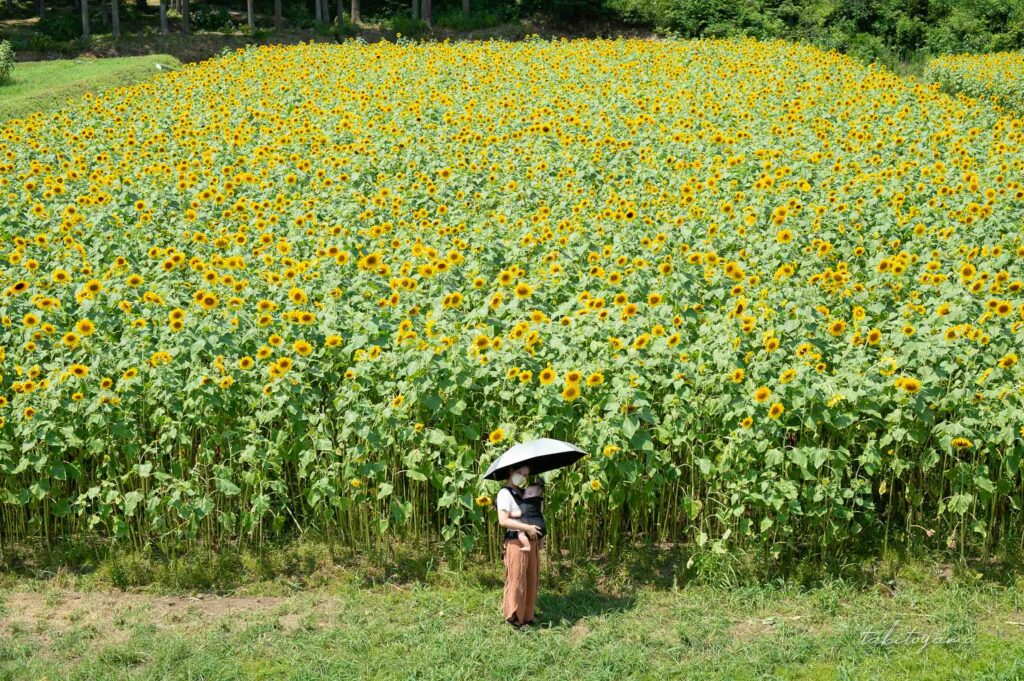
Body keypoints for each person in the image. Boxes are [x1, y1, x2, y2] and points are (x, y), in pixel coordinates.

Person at [495, 463, 543, 628]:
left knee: (531, 578)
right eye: (519, 472)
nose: (522, 476)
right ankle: (514, 618)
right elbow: (503, 520)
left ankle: (527, 615)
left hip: (532, 540)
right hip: (516, 541)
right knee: (517, 579)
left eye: (525, 474)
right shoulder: (504, 493)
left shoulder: (523, 493)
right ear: (511, 471)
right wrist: (527, 528)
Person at [509, 478, 546, 552]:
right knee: (542, 534)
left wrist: (509, 514)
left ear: (537, 495)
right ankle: (541, 545)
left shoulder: (526, 504)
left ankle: (527, 546)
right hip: (542, 527)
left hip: (532, 527)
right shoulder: (538, 502)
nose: (525, 495)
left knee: (520, 533)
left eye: (529, 493)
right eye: (525, 493)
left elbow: (519, 513)